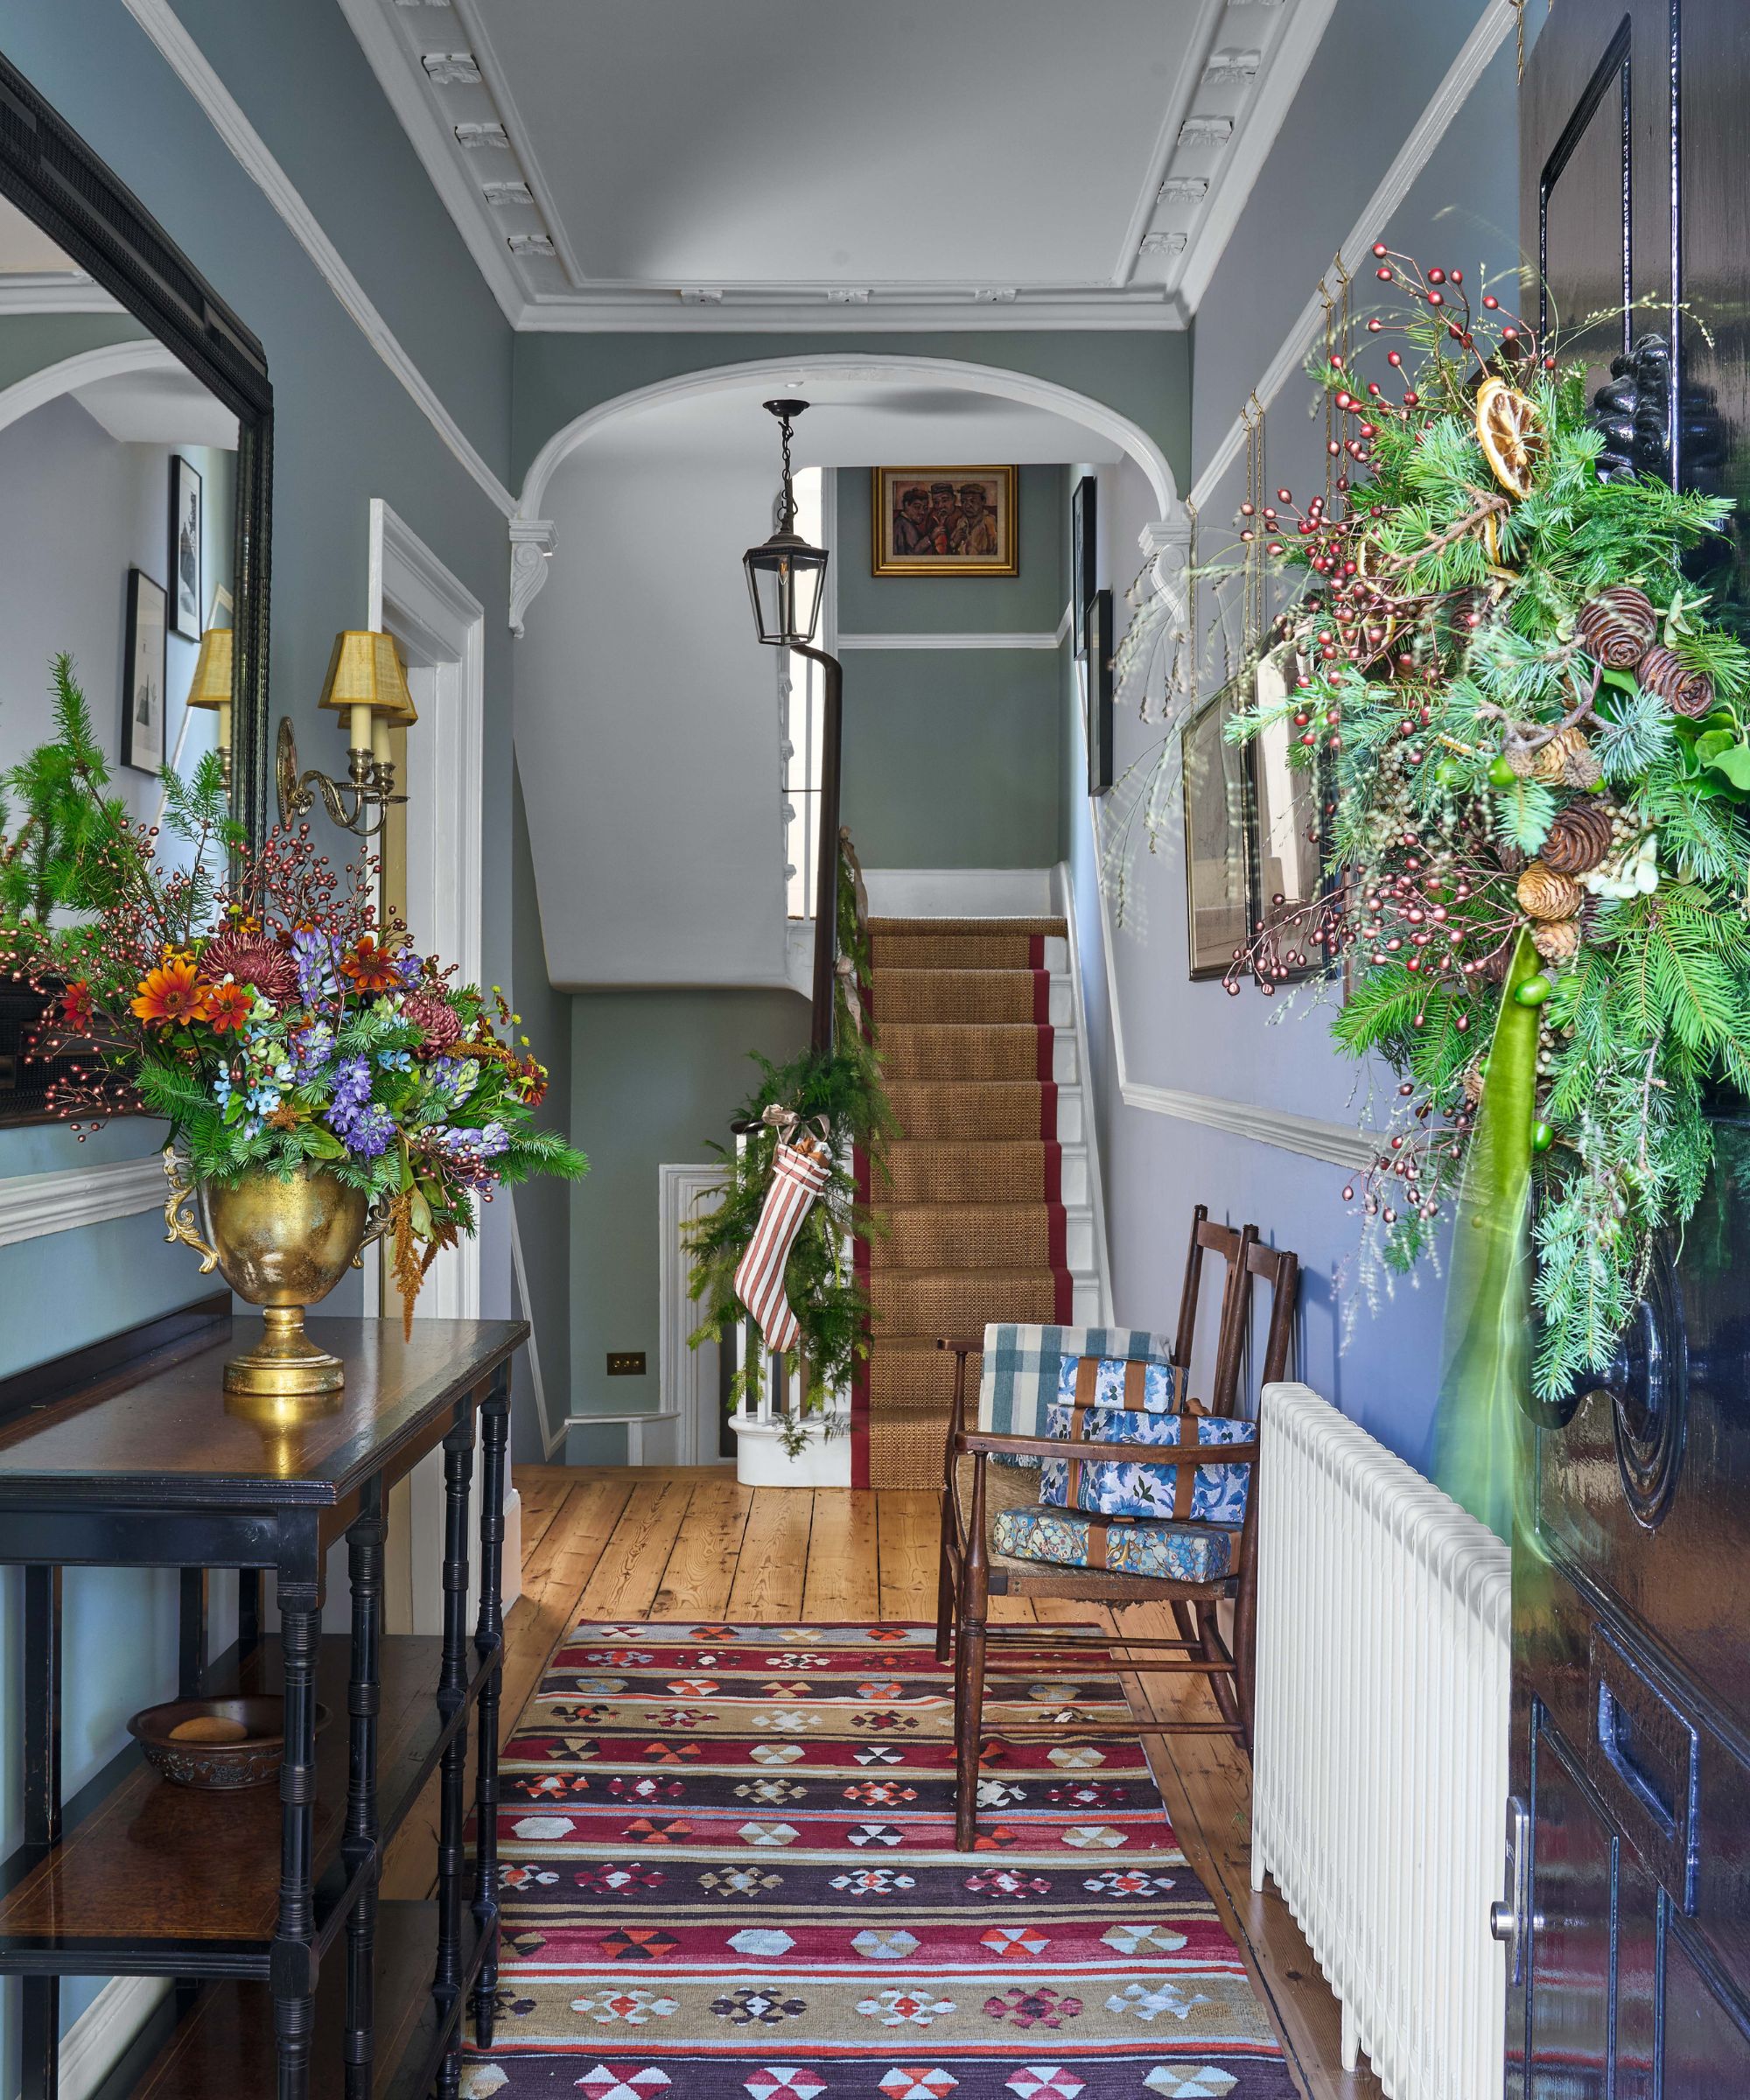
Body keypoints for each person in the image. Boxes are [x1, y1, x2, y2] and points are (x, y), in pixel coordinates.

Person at [954, 481, 998, 557]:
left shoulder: (989, 522)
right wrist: (954, 542)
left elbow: (995, 553)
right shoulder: (961, 521)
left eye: (972, 501)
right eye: (963, 501)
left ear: (983, 501)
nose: (967, 506)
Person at [892, 484, 933, 556]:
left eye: (925, 508)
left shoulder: (906, 523)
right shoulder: (903, 524)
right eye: (917, 507)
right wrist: (931, 537)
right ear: (906, 505)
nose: (922, 512)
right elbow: (913, 554)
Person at [926, 480, 962, 555]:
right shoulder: (932, 517)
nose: (940, 506)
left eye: (945, 500)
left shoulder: (962, 516)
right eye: (936, 502)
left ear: (954, 499)